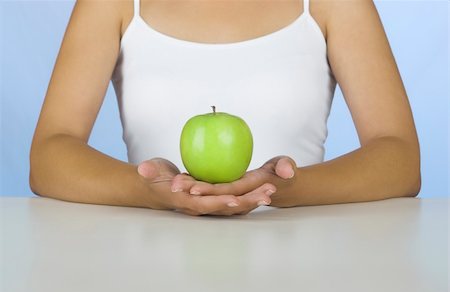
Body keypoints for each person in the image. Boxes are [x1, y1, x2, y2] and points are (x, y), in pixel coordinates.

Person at [29, 0, 421, 216]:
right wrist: (146, 189)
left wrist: (288, 189)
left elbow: (400, 159)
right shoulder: (113, 4)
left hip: (299, 265)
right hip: (151, 265)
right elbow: (49, 155)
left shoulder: (331, 4)